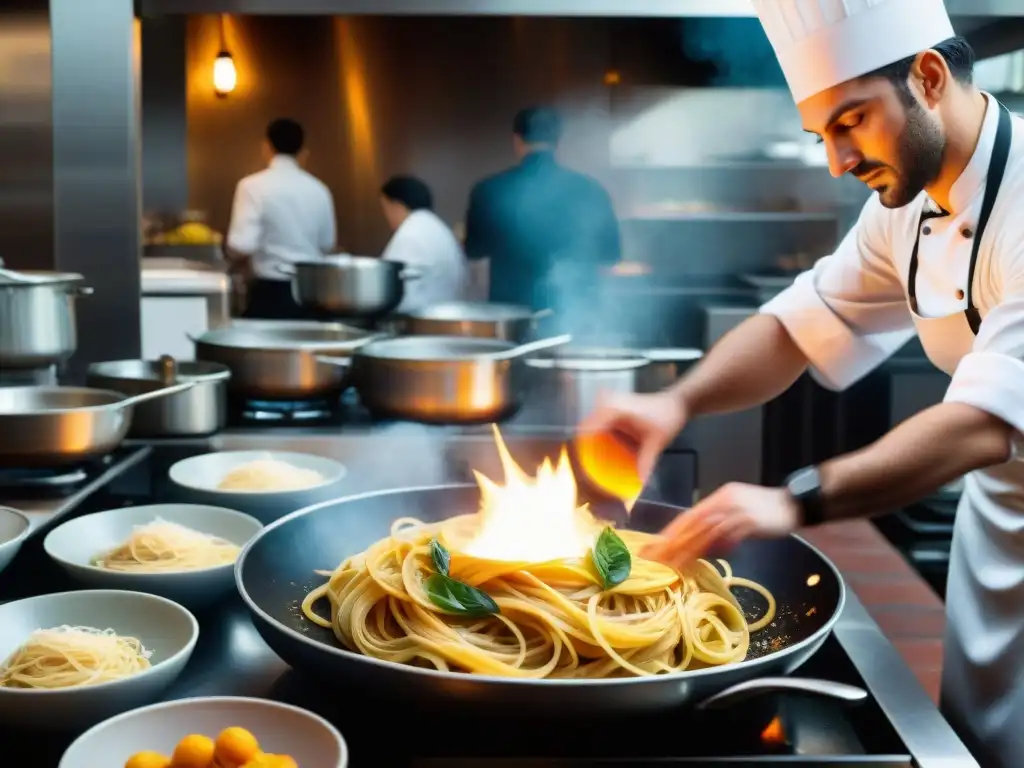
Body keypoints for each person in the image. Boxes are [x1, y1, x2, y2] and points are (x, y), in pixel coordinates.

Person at [581, 1, 1024, 765]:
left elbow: (986, 421)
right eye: (823, 135)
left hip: (993, 461)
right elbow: (802, 319)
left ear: (927, 76)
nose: (837, 161)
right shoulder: (907, 203)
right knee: (983, 743)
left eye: (852, 120)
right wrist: (674, 403)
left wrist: (791, 499)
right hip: (999, 525)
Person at [463, 106, 620, 312]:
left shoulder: (489, 189)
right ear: (558, 142)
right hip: (576, 313)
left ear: (517, 141)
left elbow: (474, 251)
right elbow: (610, 255)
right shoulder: (591, 190)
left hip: (513, 314)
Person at [226, 118, 337, 319]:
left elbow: (241, 244)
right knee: (306, 349)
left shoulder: (251, 186)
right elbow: (327, 243)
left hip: (270, 293)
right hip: (312, 294)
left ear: (267, 147)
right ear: (302, 151)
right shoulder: (319, 189)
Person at [379, 175, 467, 314]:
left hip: (421, 323)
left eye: (385, 208)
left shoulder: (411, 233)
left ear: (397, 205)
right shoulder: (437, 227)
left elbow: (393, 291)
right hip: (446, 316)